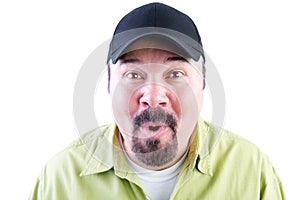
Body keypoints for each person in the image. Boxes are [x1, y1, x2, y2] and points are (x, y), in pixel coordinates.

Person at [29, 2, 286, 200]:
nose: (153, 97)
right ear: (109, 84)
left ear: (203, 82)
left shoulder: (253, 171)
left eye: (175, 74)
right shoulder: (59, 178)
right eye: (133, 74)